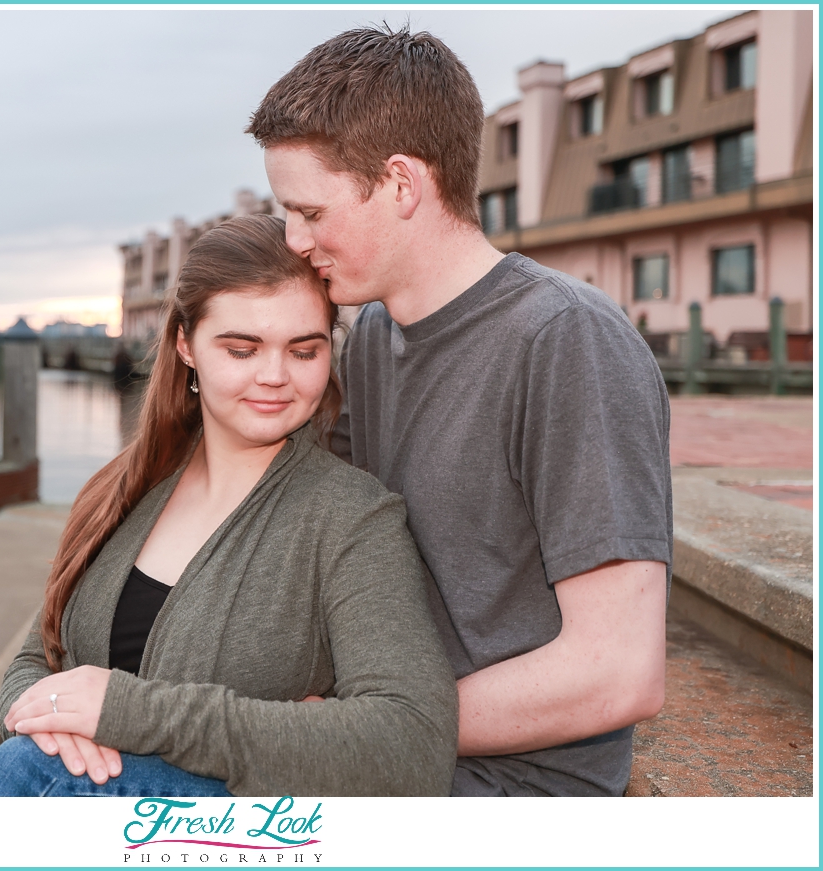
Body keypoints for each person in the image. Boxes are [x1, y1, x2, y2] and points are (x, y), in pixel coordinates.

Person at [248, 26, 672, 796]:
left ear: (403, 184)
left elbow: (620, 671)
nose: (293, 238)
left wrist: (360, 726)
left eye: (310, 211)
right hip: (400, 751)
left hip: (507, 788)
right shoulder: (373, 337)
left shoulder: (566, 340)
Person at [0, 214, 458, 798]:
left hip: (245, 833)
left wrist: (128, 713)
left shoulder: (352, 519)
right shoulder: (124, 489)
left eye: (304, 352)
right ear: (186, 345)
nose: (275, 376)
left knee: (19, 773)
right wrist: (47, 727)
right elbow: (37, 656)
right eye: (242, 348)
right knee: (26, 765)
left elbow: (414, 742)